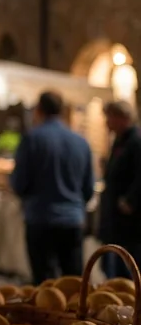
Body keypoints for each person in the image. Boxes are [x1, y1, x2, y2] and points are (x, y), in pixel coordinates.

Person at [11, 91, 95, 284]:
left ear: (38, 110)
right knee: (74, 283)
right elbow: (88, 187)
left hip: (40, 219)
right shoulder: (80, 142)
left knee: (44, 286)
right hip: (72, 219)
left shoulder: (32, 139)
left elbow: (19, 183)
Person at [99, 101, 141, 278]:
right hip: (114, 220)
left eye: (110, 117)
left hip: (128, 223)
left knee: (127, 269)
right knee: (111, 267)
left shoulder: (135, 142)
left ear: (123, 118)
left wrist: (130, 201)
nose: (107, 122)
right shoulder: (120, 141)